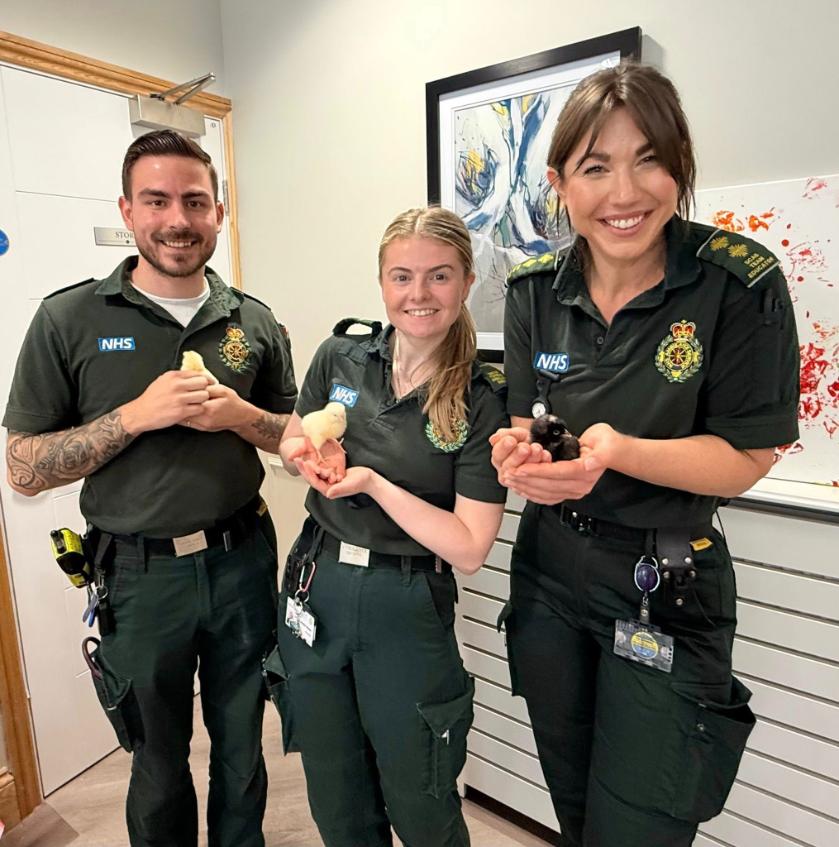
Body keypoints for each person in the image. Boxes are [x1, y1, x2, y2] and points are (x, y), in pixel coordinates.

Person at [490, 63, 800, 847]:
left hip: (665, 580)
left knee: (641, 828)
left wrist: (617, 452)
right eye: (595, 167)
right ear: (560, 182)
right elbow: (533, 424)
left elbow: (747, 454)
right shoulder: (532, 289)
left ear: (679, 164)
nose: (623, 193)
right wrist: (518, 456)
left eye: (648, 159)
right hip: (549, 577)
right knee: (576, 811)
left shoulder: (737, 283)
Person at [4, 130, 297, 847]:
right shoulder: (68, 318)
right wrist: (136, 416)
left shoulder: (252, 320)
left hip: (241, 563)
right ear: (127, 211)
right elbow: (23, 465)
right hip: (136, 575)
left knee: (240, 749)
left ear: (218, 213)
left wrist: (243, 416)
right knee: (158, 761)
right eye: (157, 200)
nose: (178, 219)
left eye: (195, 201)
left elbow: (291, 433)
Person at [268, 206, 508, 847]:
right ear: (382, 281)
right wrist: (307, 457)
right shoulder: (340, 355)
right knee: (336, 793)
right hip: (316, 584)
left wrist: (373, 483)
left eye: (439, 276)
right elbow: (294, 439)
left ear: (465, 282)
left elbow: (470, 545)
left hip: (407, 602)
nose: (418, 295)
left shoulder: (483, 397)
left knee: (422, 800)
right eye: (402, 277)